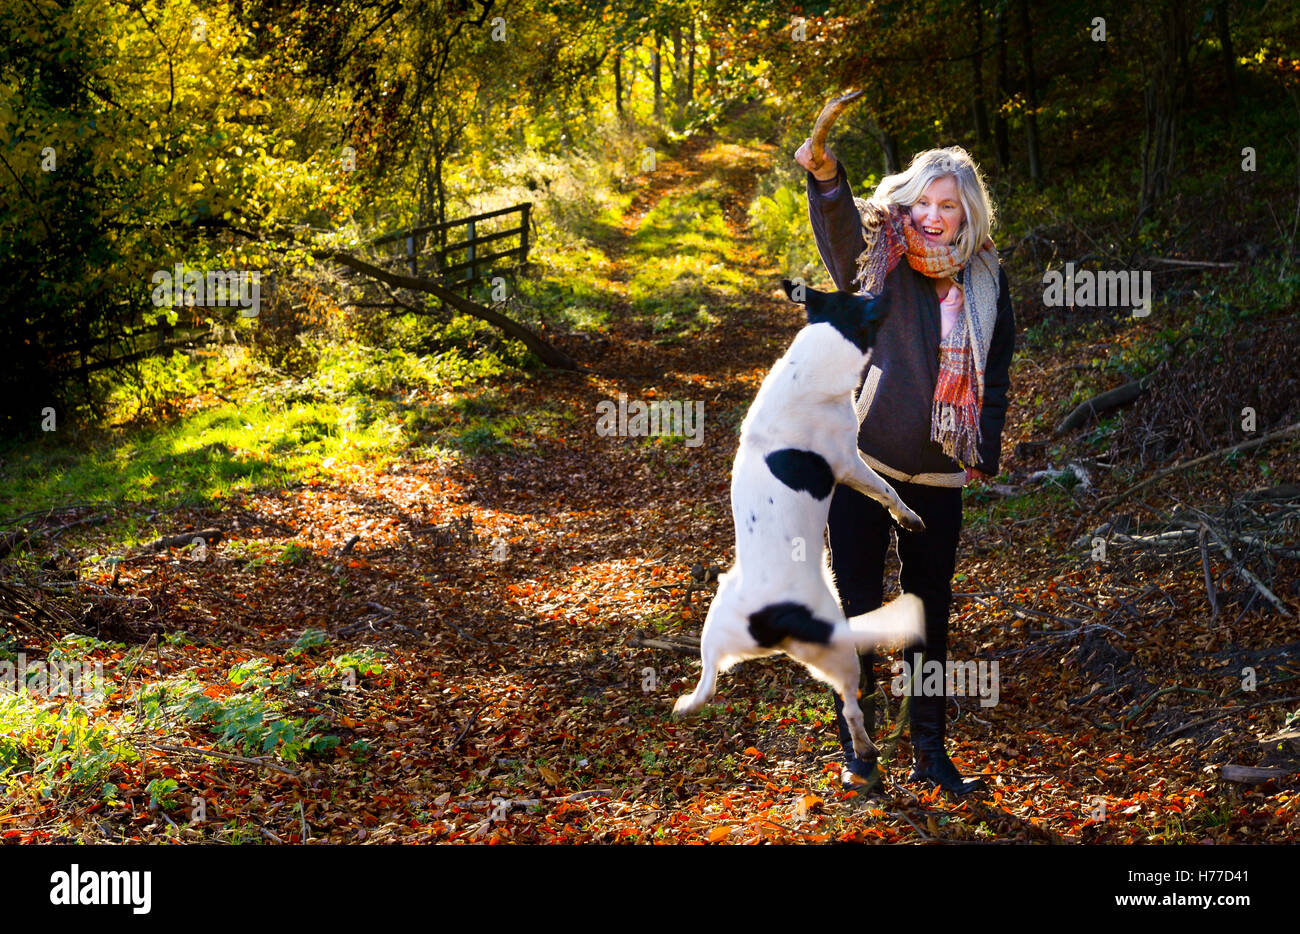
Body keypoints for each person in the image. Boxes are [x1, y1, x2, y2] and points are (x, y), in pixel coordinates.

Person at [793, 139, 1015, 795]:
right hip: (865, 463)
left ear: (968, 211)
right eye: (924, 202)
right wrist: (828, 177)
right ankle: (859, 754)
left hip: (941, 474)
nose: (936, 215)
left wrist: (984, 446)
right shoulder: (883, 258)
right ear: (908, 206)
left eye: (949, 205)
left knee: (926, 614)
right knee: (858, 606)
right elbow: (840, 234)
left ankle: (931, 752)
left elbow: (996, 377)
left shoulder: (988, 280)